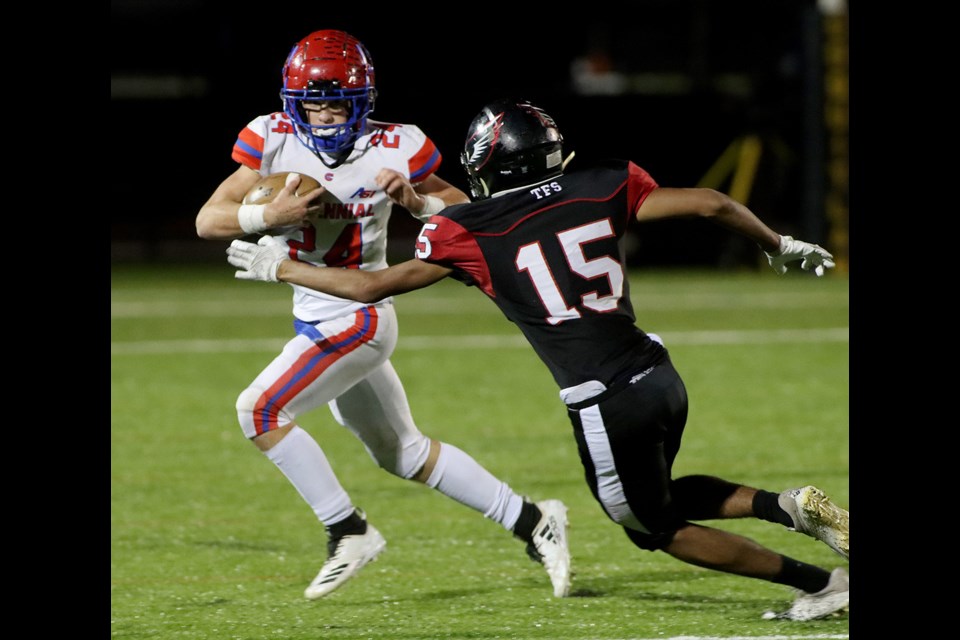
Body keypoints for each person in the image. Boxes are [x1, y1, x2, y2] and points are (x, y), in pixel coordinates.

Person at [226, 98, 850, 621]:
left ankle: (820, 584)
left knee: (649, 527)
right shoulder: (602, 181)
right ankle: (788, 507)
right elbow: (712, 202)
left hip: (603, 399)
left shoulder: (472, 230)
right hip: (658, 372)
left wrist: (279, 265)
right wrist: (779, 244)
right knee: (655, 495)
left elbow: (369, 288)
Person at [196, 38, 571, 600]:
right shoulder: (270, 137)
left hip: (359, 316)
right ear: (293, 101)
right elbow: (208, 220)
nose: (325, 113)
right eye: (313, 102)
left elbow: (471, 213)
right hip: (314, 316)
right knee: (405, 453)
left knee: (260, 411)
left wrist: (419, 204)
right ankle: (534, 520)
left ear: (362, 100)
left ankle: (348, 529)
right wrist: (268, 214)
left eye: (337, 102)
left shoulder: (395, 146)